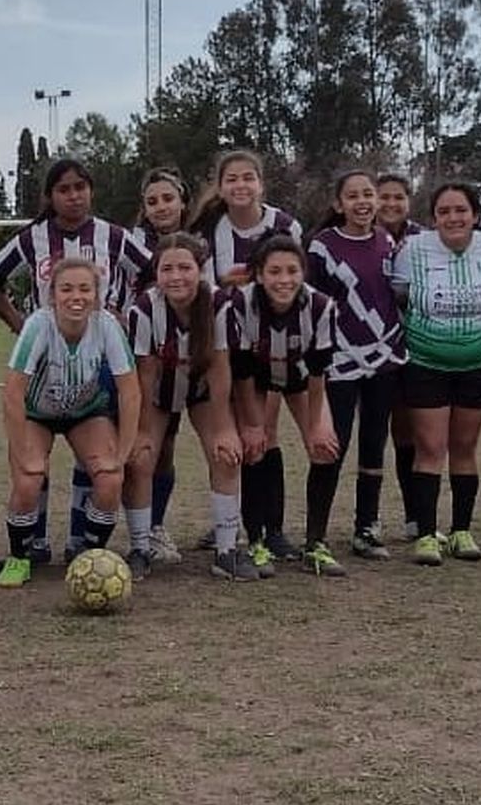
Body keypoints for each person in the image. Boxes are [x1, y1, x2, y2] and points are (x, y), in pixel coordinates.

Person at [0, 158, 151, 560]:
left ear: (90, 190)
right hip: (41, 384)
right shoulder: (32, 239)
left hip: (92, 382)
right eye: (64, 189)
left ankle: (87, 549)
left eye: (81, 187)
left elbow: (152, 274)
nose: (74, 195)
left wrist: (126, 313)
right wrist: (19, 322)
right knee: (30, 473)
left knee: (106, 470)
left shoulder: (113, 237)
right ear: (51, 195)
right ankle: (29, 551)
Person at [0, 258, 140, 587]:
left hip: (86, 411)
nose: (76, 297)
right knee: (29, 478)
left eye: (84, 289)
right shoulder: (38, 325)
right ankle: (19, 556)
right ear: (52, 295)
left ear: (96, 295)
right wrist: (20, 452)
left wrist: (123, 452)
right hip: (37, 412)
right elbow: (13, 392)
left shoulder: (106, 325)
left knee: (109, 478)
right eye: (66, 289)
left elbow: (130, 392)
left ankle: (90, 555)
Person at [125, 233, 257, 581]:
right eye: (167, 268)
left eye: (185, 267)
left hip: (201, 389)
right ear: (156, 273)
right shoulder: (143, 308)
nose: (176, 276)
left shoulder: (219, 304)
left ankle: (227, 550)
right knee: (140, 459)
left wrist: (226, 428)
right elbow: (146, 372)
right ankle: (139, 548)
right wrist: (140, 431)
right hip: (157, 392)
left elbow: (219, 366)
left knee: (225, 453)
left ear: (200, 270)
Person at [389, 182, 481, 566]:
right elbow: (400, 297)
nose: (453, 218)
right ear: (434, 217)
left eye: (461, 210)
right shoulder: (414, 250)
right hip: (426, 363)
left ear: (475, 214)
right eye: (444, 211)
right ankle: (426, 535)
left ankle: (461, 530)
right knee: (431, 449)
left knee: (465, 448)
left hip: (479, 363)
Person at [304, 169, 407, 570]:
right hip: (339, 360)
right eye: (353, 196)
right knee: (332, 445)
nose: (363, 202)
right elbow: (312, 303)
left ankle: (366, 528)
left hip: (386, 357)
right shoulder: (321, 247)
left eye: (369, 194)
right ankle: (315, 538)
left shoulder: (388, 241)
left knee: (374, 442)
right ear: (338, 204)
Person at [224, 234, 340, 575]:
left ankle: (315, 543)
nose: (284, 280)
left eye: (292, 271)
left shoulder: (320, 306)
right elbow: (243, 371)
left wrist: (317, 423)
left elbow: (319, 370)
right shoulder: (242, 303)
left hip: (301, 376)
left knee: (325, 447)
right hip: (256, 377)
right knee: (255, 446)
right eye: (274, 271)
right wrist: (252, 423)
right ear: (259, 274)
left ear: (303, 272)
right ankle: (258, 540)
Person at [129, 166, 192, 562]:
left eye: (168, 198)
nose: (161, 206)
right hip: (137, 356)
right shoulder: (131, 242)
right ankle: (128, 532)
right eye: (152, 201)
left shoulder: (197, 244)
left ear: (182, 201)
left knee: (166, 445)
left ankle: (155, 527)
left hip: (183, 361)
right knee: (139, 444)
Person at [375, 171, 425, 536]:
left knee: (409, 434)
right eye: (383, 196)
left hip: (415, 347)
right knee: (373, 435)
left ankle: (415, 516)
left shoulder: (425, 239)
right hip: (369, 350)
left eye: (398, 197)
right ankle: (369, 519)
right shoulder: (358, 236)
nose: (390, 204)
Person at [188, 149, 301, 289]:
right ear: (220, 190)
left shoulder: (287, 227)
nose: (240, 185)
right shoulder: (207, 230)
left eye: (248, 178)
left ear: (260, 186)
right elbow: (203, 290)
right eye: (232, 179)